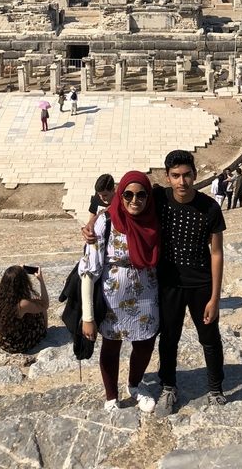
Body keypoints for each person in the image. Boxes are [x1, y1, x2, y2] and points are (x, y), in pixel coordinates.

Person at [80, 171, 160, 412]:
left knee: (145, 345)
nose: (134, 200)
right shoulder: (105, 222)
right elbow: (89, 269)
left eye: (141, 195)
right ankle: (111, 396)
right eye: (128, 194)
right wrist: (88, 316)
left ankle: (134, 385)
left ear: (148, 197)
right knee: (111, 347)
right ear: (120, 194)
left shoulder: (154, 219)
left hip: (147, 295)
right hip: (113, 298)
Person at [153, 150, 226, 413]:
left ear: (195, 175)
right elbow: (124, 200)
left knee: (209, 338)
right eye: (175, 176)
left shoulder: (210, 208)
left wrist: (215, 298)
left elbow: (216, 253)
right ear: (167, 177)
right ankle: (168, 387)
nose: (182, 182)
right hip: (169, 283)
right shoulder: (160, 199)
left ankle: (216, 389)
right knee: (169, 338)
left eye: (186, 175)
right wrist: (94, 220)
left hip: (201, 284)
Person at [0, 265, 49, 354]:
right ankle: (44, 331)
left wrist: (17, 271)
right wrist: (41, 280)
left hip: (2, 340)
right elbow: (45, 304)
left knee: (34, 304)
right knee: (39, 306)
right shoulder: (22, 304)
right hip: (17, 344)